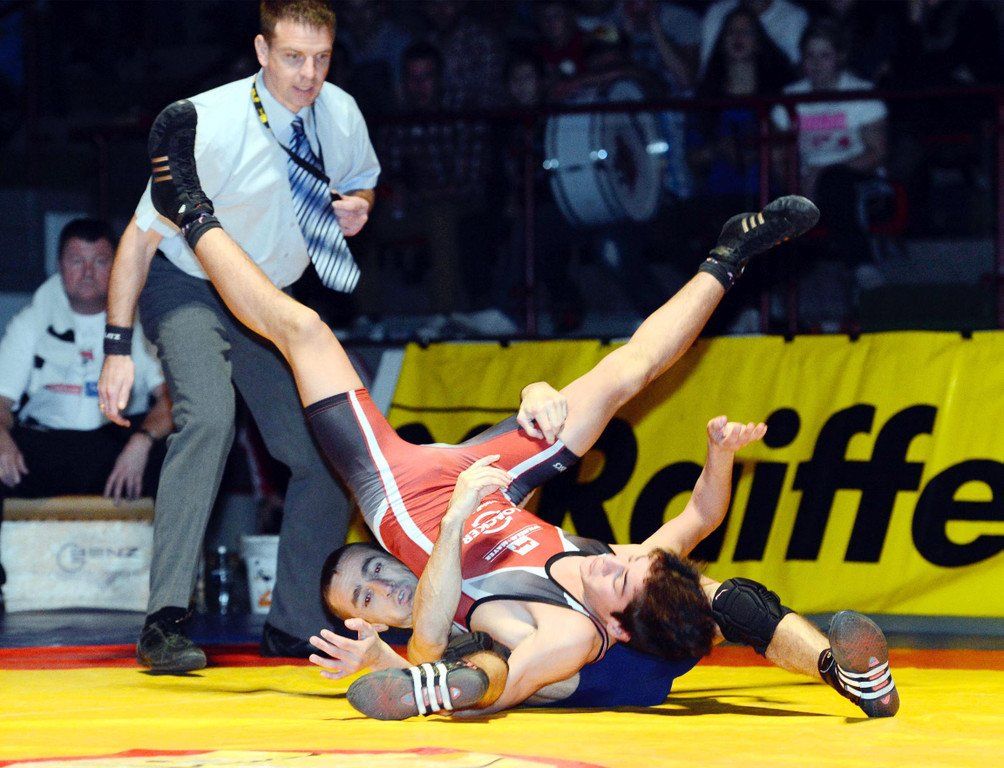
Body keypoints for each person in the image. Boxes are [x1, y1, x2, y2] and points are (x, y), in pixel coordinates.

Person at [142, 95, 896, 722]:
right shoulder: (599, 584)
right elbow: (694, 521)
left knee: (308, 331)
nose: (382, 584)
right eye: (371, 592)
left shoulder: (557, 611)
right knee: (625, 385)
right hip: (485, 492)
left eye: (369, 575)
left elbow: (437, 642)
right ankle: (727, 258)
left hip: (413, 495)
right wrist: (710, 453)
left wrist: (518, 418)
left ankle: (189, 208)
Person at [97, 0, 380, 673]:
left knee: (325, 454)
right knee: (209, 419)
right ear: (261, 51)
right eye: (293, 58)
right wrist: (116, 350)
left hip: (267, 299)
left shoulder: (340, 114)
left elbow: (363, 184)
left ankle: (294, 622)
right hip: (187, 283)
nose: (308, 74)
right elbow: (137, 240)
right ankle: (164, 622)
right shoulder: (208, 122)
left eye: (321, 58)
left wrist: (359, 208)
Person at [0, 219, 169, 608]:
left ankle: (169, 589)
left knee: (181, 450)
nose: (88, 272)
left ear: (117, 266)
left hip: (116, 450)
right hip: (44, 449)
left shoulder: (138, 322)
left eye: (100, 261)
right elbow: (2, 402)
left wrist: (142, 442)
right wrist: (1, 437)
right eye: (77, 260)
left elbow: (172, 400)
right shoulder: (31, 320)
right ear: (60, 265)